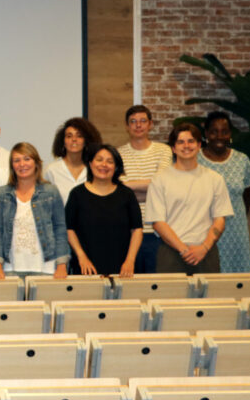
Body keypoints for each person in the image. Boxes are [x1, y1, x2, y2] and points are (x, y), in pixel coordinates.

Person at [146, 124, 233, 275]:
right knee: (171, 299)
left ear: (199, 145)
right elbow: (158, 222)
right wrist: (183, 250)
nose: (186, 146)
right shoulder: (159, 180)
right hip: (171, 253)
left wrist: (204, 248)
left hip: (206, 252)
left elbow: (219, 219)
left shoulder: (215, 179)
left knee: (210, 299)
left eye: (191, 141)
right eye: (180, 142)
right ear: (173, 148)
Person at [0, 142, 69, 279]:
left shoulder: (51, 192)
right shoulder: (1, 194)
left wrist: (61, 264)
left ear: (36, 163)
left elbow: (60, 229)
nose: (22, 164)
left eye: (27, 159)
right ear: (12, 166)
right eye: (17, 160)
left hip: (46, 267)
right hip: (10, 268)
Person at [65, 143, 143, 277]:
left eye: (110, 161)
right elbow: (69, 229)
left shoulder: (126, 194)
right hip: (86, 268)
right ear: (90, 163)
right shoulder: (77, 194)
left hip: (123, 268)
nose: (104, 165)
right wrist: (81, 257)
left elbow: (137, 229)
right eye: (99, 160)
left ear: (116, 167)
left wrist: (130, 261)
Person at [118, 105, 174, 273]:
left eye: (143, 121)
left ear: (150, 124)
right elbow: (119, 192)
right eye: (133, 121)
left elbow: (162, 185)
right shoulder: (117, 154)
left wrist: (129, 189)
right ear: (127, 126)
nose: (138, 125)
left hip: (158, 231)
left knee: (156, 285)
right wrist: (152, 189)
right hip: (128, 231)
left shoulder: (164, 151)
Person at [197, 111, 250, 273]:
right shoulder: (195, 160)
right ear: (206, 133)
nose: (219, 136)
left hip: (236, 229)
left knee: (238, 278)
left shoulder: (242, 160)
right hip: (204, 230)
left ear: (230, 134)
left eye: (224, 132)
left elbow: (248, 193)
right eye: (214, 131)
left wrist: (234, 211)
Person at [45, 117, 103, 204]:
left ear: (86, 141)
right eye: (69, 136)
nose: (74, 139)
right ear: (63, 141)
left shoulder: (95, 169)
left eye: (79, 136)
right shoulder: (51, 170)